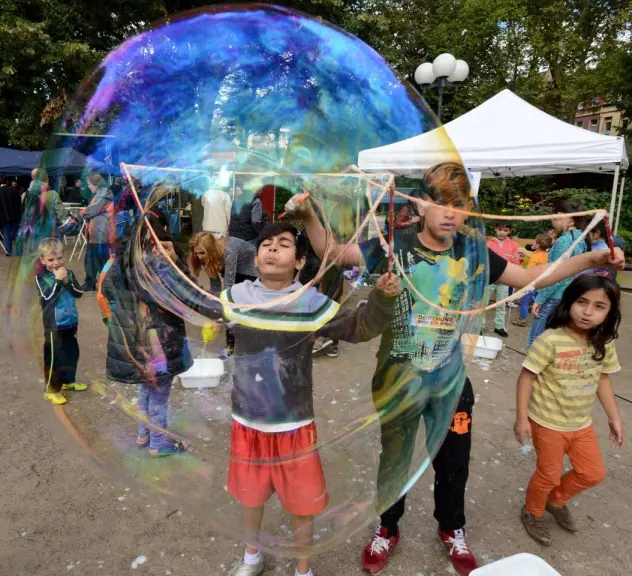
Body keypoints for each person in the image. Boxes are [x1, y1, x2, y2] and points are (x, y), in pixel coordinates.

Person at [290, 161, 625, 576]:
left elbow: (531, 277)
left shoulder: (474, 253)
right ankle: (386, 527)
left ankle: (452, 528)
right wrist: (308, 217)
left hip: (451, 386)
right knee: (395, 461)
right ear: (423, 204)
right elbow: (334, 252)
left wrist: (593, 257)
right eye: (442, 202)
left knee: (454, 464)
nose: (451, 212)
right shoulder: (398, 244)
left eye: (460, 204)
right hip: (398, 380)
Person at [149, 221, 398, 576]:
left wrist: (383, 298)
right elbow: (195, 300)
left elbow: (359, 328)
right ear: (257, 254)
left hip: (294, 424)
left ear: (299, 262)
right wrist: (165, 265)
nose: (272, 248)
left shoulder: (311, 303)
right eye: (266, 243)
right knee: (251, 497)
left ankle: (303, 569)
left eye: (283, 244)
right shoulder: (239, 298)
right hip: (247, 421)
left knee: (302, 502)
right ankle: (252, 555)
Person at [515, 275, 624, 546]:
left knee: (592, 472)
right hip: (547, 422)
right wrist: (521, 419)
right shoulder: (550, 340)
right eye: (582, 302)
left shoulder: (604, 343)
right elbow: (526, 377)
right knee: (548, 474)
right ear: (569, 303)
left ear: (610, 313)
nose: (588, 312)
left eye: (599, 307)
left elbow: (603, 379)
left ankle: (556, 499)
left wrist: (615, 418)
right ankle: (533, 511)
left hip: (580, 423)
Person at [97, 212, 191, 456]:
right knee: (159, 395)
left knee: (146, 389)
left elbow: (107, 290)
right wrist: (175, 261)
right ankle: (158, 444)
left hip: (134, 344)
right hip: (159, 344)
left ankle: (143, 434)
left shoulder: (122, 264)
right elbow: (190, 294)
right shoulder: (161, 268)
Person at [528, 200, 591, 347]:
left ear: (564, 216)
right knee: (554, 342)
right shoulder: (580, 237)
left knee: (536, 343)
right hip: (567, 295)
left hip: (553, 296)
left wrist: (540, 299)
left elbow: (557, 275)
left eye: (553, 217)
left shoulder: (565, 241)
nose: (552, 221)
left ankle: (534, 370)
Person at [189, 231, 259, 355]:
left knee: (236, 309)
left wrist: (221, 312)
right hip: (235, 273)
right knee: (226, 308)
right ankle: (231, 345)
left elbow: (228, 287)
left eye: (202, 253)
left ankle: (236, 346)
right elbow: (215, 285)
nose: (199, 257)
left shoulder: (228, 251)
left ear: (210, 249)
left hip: (251, 274)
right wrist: (215, 308)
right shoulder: (208, 255)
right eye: (196, 253)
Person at [35, 238, 86, 405]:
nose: (56, 263)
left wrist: (67, 281)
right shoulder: (41, 277)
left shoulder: (68, 273)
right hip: (54, 326)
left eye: (59, 258)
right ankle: (51, 389)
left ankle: (68, 381)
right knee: (54, 358)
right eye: (50, 259)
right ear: (42, 260)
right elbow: (47, 297)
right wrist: (57, 281)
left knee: (71, 353)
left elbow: (79, 293)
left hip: (70, 321)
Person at [19, 168, 68, 254]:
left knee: (36, 258)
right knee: (52, 258)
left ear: (33, 178)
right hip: (51, 231)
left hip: (32, 232)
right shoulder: (52, 194)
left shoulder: (24, 195)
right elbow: (61, 214)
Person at [485, 222, 520, 337]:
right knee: (483, 304)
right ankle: (479, 326)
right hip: (489, 278)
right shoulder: (488, 243)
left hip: (505, 280)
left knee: (501, 304)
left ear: (509, 231)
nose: (502, 232)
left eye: (505, 230)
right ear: (495, 229)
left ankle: (499, 327)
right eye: (500, 229)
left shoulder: (514, 245)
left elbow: (515, 261)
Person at [81, 172, 114, 291]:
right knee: (90, 259)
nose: (88, 186)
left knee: (101, 260)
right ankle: (90, 283)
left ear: (96, 184)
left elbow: (92, 210)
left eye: (89, 184)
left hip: (100, 232)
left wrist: (82, 213)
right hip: (96, 232)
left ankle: (106, 285)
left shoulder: (102, 195)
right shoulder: (100, 194)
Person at [512, 233, 553, 327]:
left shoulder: (535, 256)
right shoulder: (547, 255)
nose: (532, 243)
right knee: (538, 301)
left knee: (524, 301)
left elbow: (529, 270)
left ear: (537, 245)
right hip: (542, 283)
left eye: (534, 242)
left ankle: (522, 319)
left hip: (531, 283)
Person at [0, 175, 22, 256]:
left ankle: (9, 252)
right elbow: (18, 204)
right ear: (7, 181)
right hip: (14, 216)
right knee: (16, 233)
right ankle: (19, 251)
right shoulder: (13, 190)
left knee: (6, 234)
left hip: (3, 217)